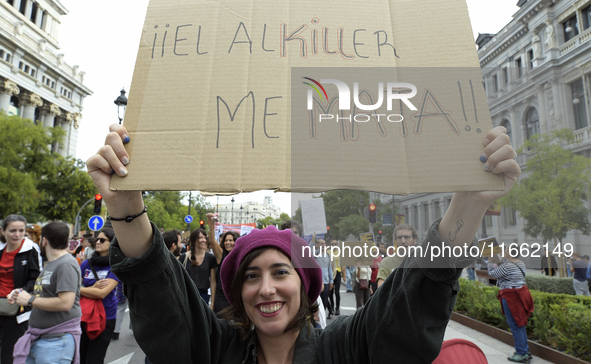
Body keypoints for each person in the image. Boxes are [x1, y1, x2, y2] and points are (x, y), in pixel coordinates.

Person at [85, 124, 519, 363]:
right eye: (251, 276)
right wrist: (125, 206)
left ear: (307, 285)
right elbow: (164, 300)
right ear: (238, 293)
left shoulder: (347, 349)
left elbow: (415, 296)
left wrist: (469, 203)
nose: (266, 288)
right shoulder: (215, 351)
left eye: (280, 272)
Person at [10, 221, 82, 364]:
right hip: (41, 338)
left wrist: (29, 300)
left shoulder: (66, 264)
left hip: (56, 342)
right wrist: (21, 294)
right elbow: (44, 294)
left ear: (44, 241)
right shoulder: (52, 263)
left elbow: (65, 303)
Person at [0, 215, 41, 364]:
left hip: (17, 308)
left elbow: (36, 279)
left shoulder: (31, 249)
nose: (17, 234)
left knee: (10, 353)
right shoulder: (0, 249)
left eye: (21, 230)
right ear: (3, 231)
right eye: (12, 230)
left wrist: (19, 292)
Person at [79, 228, 120, 364]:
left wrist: (82, 289)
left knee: (95, 359)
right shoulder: (87, 264)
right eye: (97, 239)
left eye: (102, 240)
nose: (98, 242)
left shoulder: (116, 266)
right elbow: (71, 287)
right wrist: (91, 289)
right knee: (81, 357)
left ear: (112, 243)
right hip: (84, 315)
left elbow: (102, 293)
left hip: (105, 316)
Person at [487, 251, 533, 363]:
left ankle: (521, 353)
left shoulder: (507, 266)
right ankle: (525, 350)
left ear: (509, 253)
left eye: (506, 250)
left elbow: (492, 274)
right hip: (520, 295)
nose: (503, 251)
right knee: (520, 323)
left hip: (511, 297)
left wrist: (490, 261)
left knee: (515, 325)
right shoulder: (521, 263)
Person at [206, 217, 239, 314]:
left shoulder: (241, 256)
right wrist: (211, 223)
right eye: (226, 240)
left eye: (231, 240)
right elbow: (212, 241)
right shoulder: (221, 255)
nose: (228, 242)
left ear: (236, 241)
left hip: (236, 297)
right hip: (222, 297)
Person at [182, 228, 217, 307]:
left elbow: (213, 281)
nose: (203, 240)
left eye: (204, 237)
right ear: (194, 240)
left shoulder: (210, 258)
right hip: (186, 296)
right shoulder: (184, 257)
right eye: (200, 238)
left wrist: (212, 304)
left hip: (203, 297)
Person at [376, 224, 417, 288]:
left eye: (407, 237)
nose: (403, 241)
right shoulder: (386, 263)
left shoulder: (423, 262)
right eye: (399, 237)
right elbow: (381, 292)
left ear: (415, 240)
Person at [312, 238, 333, 318]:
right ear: (317, 245)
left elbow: (329, 268)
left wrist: (331, 281)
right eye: (321, 243)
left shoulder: (327, 255)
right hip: (318, 282)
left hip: (326, 282)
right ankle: (316, 318)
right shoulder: (315, 254)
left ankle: (322, 317)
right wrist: (313, 239)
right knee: (316, 301)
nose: (323, 245)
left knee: (324, 301)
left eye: (324, 243)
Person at [328, 239, 345, 316]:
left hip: (338, 272)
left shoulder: (340, 253)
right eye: (332, 244)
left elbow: (343, 264)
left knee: (337, 292)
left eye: (335, 244)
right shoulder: (328, 252)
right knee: (330, 292)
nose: (334, 245)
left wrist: (344, 275)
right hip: (330, 273)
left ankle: (337, 308)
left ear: (337, 245)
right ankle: (332, 306)